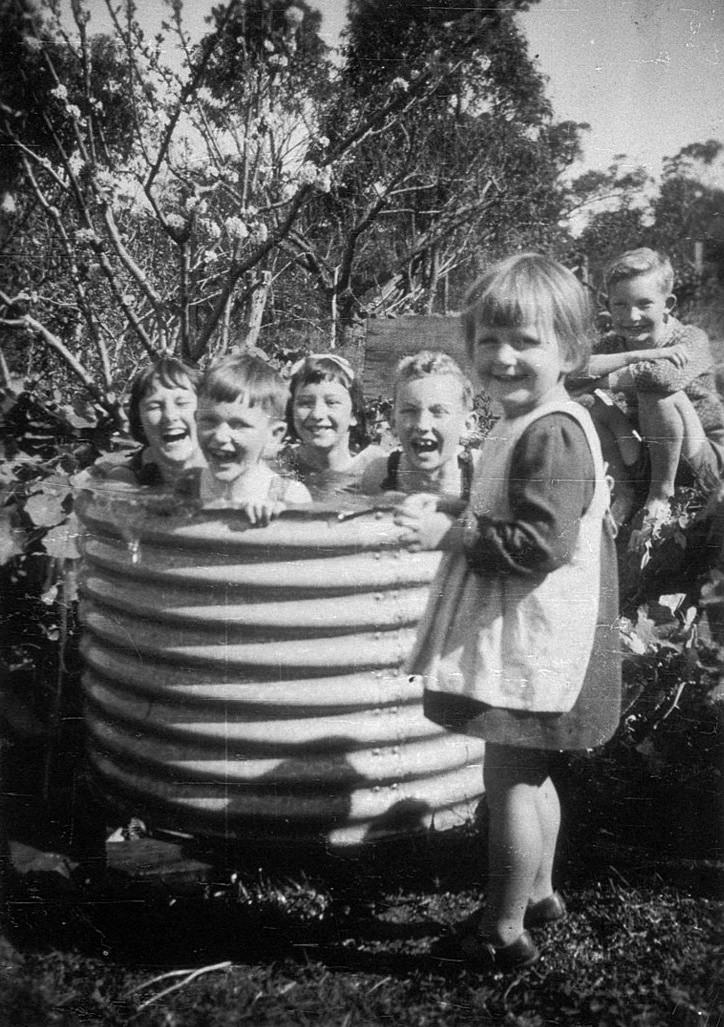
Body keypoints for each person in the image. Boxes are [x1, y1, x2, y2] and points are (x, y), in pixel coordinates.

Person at [395, 253, 621, 972]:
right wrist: (460, 506)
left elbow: (539, 542)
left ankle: (500, 927)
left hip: (539, 644)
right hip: (546, 637)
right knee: (531, 772)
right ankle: (542, 890)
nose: (504, 356)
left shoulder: (550, 433)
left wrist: (455, 535)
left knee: (509, 781)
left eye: (526, 341)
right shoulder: (529, 422)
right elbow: (514, 510)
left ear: (570, 350)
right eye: (490, 340)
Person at [571, 248, 724, 537]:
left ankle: (660, 497)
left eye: (645, 304)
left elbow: (661, 378)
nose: (632, 316)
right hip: (652, 450)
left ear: (668, 304)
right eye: (620, 305)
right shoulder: (615, 343)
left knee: (655, 391)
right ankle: (626, 492)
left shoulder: (690, 338)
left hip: (702, 456)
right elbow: (572, 374)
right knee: (588, 402)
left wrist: (605, 380)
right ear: (607, 304)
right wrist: (634, 356)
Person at [187, 352, 310, 522]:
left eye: (239, 425)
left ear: (274, 434)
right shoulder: (188, 486)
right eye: (209, 421)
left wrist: (282, 517)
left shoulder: (290, 495)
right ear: (196, 420)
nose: (220, 436)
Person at [361, 350, 477, 500]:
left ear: (467, 425)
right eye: (410, 411)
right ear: (393, 422)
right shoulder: (379, 475)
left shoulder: (482, 474)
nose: (422, 425)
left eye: (438, 412)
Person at [84, 355, 205, 487]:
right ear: (139, 418)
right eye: (154, 406)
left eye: (181, 403)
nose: (170, 416)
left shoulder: (228, 468)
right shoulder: (124, 480)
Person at [280, 353, 382, 501]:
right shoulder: (281, 464)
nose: (317, 414)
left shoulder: (375, 469)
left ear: (354, 414)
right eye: (305, 403)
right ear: (291, 411)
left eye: (332, 402)